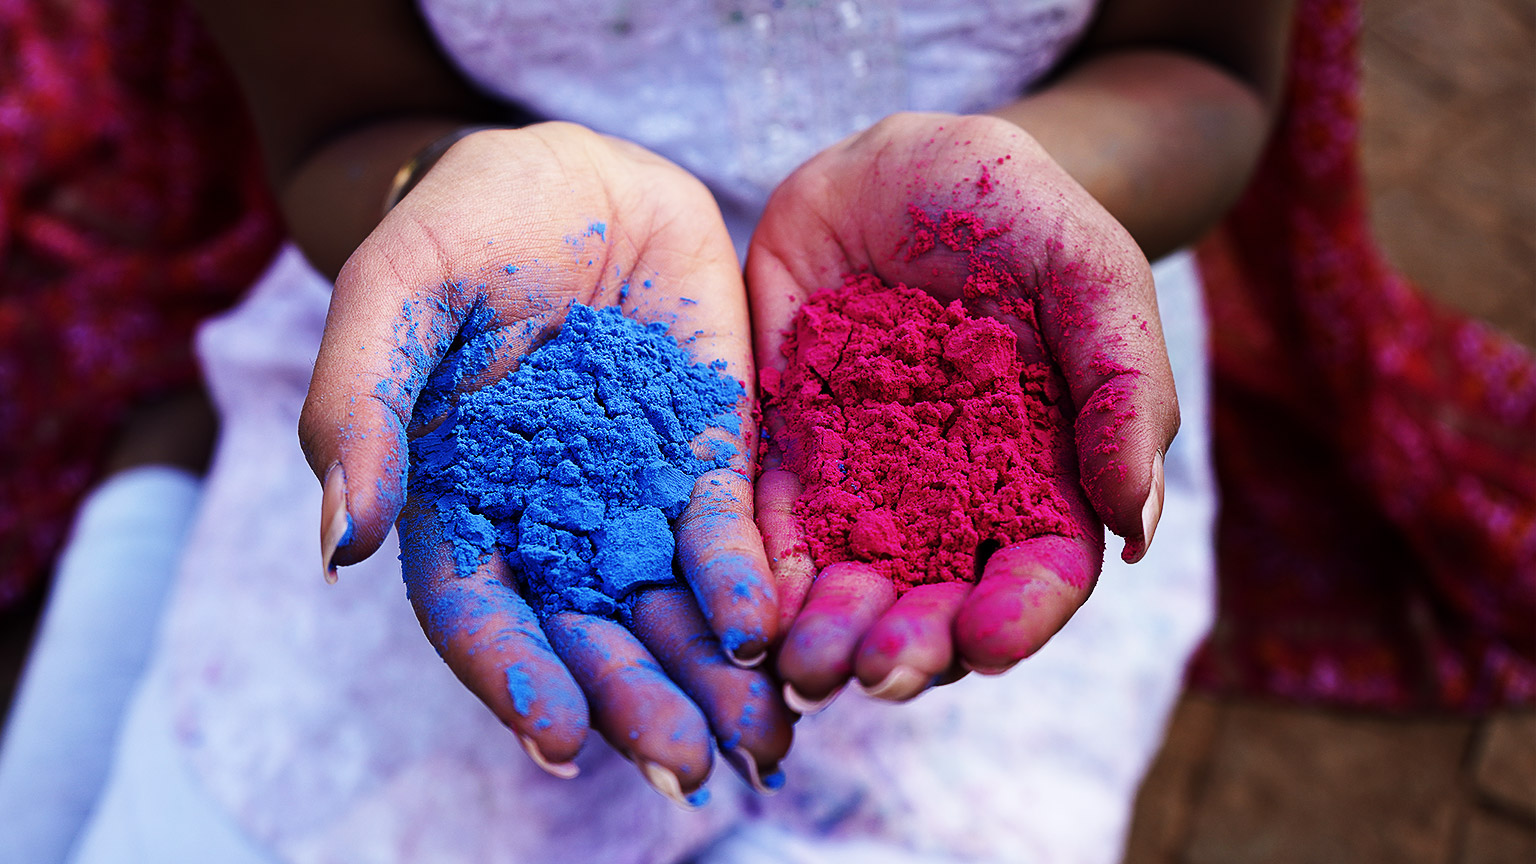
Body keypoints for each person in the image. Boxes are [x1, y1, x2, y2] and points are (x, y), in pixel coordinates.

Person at [1, 1, 1292, 861]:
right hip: (505, 299)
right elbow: (339, 129)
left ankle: (156, 486)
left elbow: (1207, 70)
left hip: (978, 306)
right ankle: (164, 484)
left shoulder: (964, 305)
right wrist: (443, 189)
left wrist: (1033, 177)